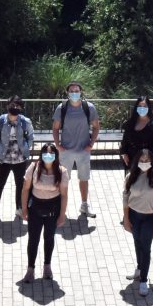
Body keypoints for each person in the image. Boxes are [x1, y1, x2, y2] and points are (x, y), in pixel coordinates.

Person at [20, 143, 68, 283]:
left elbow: (64, 195)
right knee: (33, 239)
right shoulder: (34, 168)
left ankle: (47, 266)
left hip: (52, 209)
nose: (48, 156)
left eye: (51, 153)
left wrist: (62, 215)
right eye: (45, 153)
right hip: (35, 208)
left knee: (49, 238)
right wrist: (24, 209)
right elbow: (25, 189)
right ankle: (30, 268)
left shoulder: (61, 171)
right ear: (41, 155)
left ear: (56, 156)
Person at [52, 82, 100, 218]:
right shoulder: (62, 108)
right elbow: (55, 127)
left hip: (83, 151)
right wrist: (57, 145)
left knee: (84, 178)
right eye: (72, 91)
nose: (74, 93)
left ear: (81, 92)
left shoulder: (89, 107)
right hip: (65, 151)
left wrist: (91, 144)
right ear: (67, 93)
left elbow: (96, 126)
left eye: (77, 91)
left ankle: (84, 205)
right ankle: (60, 206)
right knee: (63, 179)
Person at [123, 149, 153, 297]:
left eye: (147, 161)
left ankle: (143, 280)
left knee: (145, 247)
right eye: (141, 161)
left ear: (152, 161)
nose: (144, 163)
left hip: (150, 217)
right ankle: (139, 269)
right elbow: (125, 197)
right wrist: (126, 219)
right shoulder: (131, 176)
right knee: (137, 242)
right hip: (134, 216)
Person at [0, 95, 34, 221]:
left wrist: (26, 147)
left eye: (17, 105)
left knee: (20, 184)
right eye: (12, 105)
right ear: (7, 106)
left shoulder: (25, 121)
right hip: (3, 158)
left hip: (20, 158)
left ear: (21, 108)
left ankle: (19, 208)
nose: (14, 107)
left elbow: (31, 136)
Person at [119, 96, 153, 173]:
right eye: (140, 106)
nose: (142, 108)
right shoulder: (130, 123)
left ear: (149, 108)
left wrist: (145, 157)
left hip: (146, 162)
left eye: (144, 106)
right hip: (131, 160)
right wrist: (124, 153)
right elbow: (124, 140)